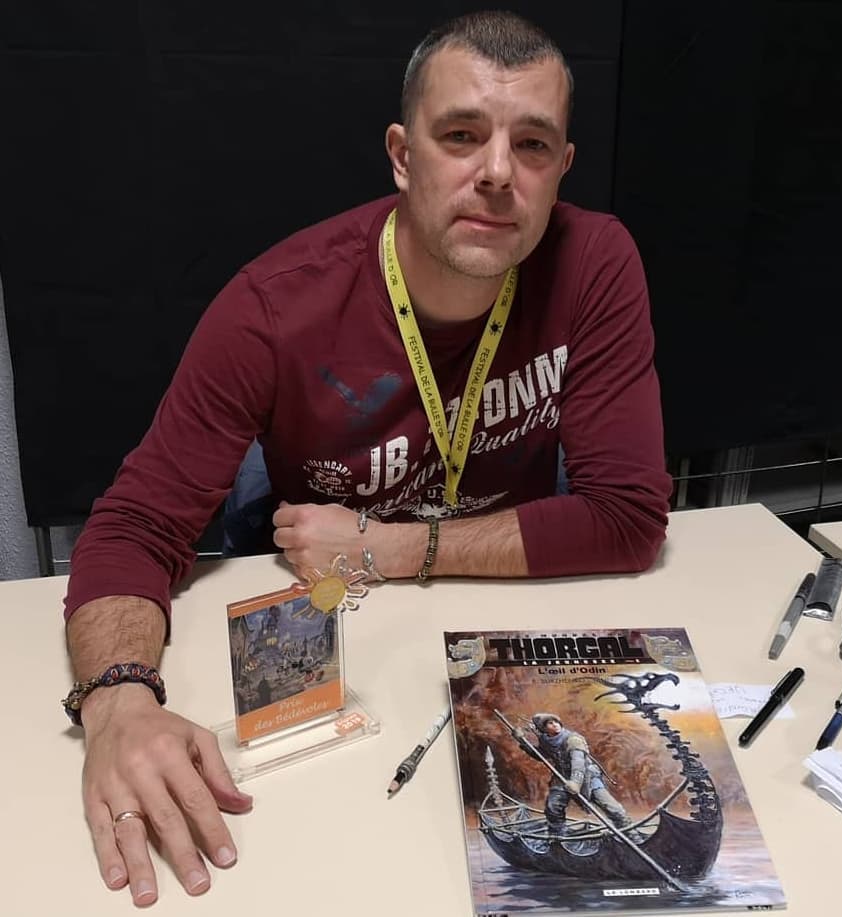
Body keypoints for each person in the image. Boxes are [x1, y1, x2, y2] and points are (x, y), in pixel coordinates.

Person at [61, 10, 671, 906]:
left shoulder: (595, 262)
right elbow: (133, 527)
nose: (497, 172)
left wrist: (391, 547)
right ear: (401, 154)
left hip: (491, 621)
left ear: (561, 168)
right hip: (337, 641)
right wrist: (118, 702)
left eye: (532, 144)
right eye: (460, 135)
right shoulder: (272, 308)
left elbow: (628, 518)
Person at [512, 713, 634, 836]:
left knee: (612, 808)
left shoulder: (573, 740)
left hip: (587, 776)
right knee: (553, 807)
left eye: (556, 722)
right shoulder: (546, 740)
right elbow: (541, 755)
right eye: (550, 723)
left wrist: (575, 782)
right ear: (543, 728)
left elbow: (578, 763)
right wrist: (523, 741)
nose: (555, 725)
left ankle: (631, 834)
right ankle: (557, 837)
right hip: (562, 777)